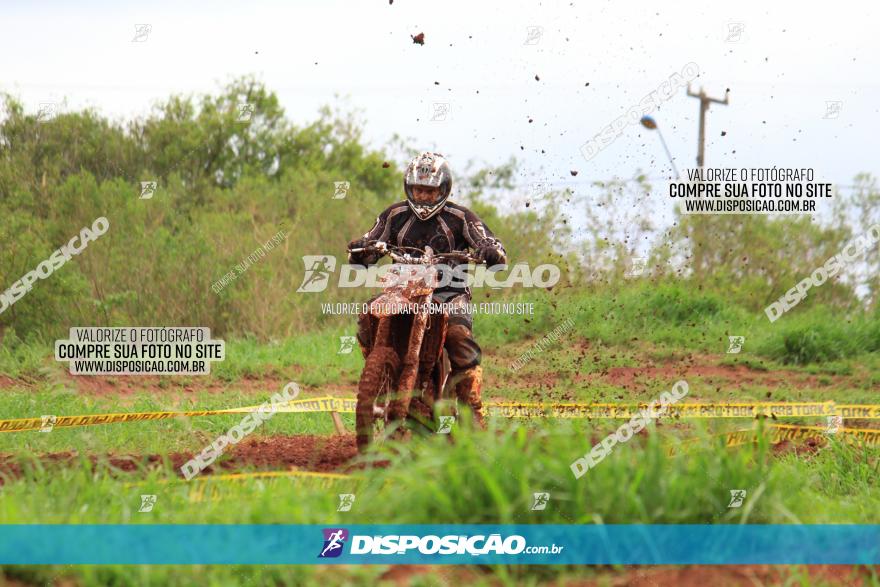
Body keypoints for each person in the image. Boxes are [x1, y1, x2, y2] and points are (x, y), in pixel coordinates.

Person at [347, 152, 507, 426]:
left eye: (429, 191)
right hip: (402, 290)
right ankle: (380, 375)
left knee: (458, 336)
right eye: (418, 190)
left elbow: (488, 241)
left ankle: (473, 414)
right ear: (409, 188)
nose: (423, 197)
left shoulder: (460, 217)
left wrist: (490, 251)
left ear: (443, 190)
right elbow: (369, 240)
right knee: (367, 318)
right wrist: (362, 251)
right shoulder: (394, 215)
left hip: (449, 292)